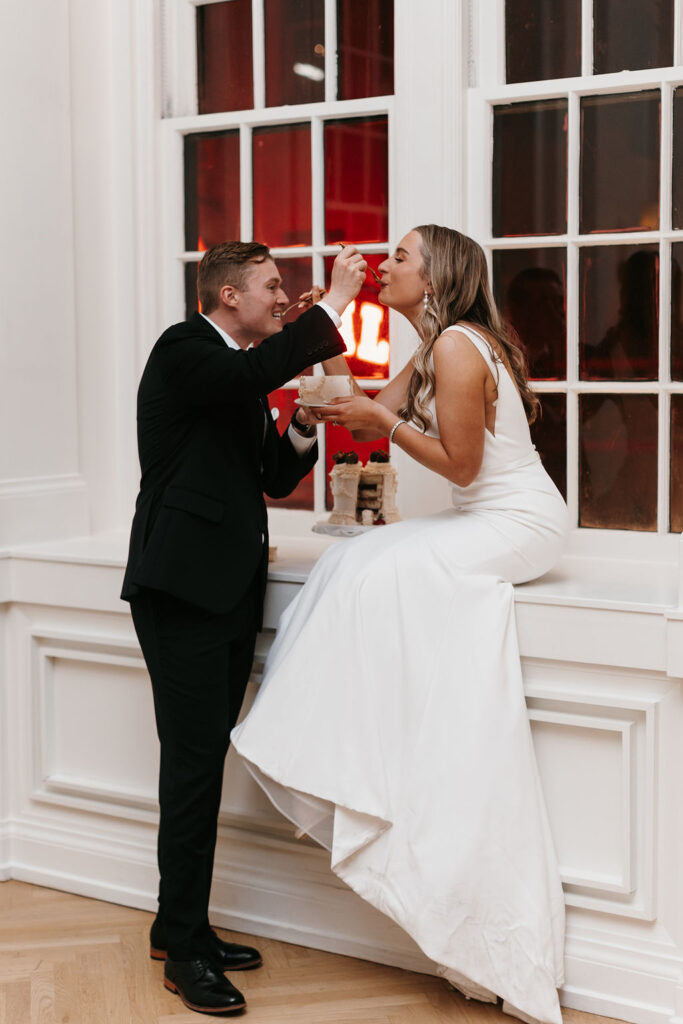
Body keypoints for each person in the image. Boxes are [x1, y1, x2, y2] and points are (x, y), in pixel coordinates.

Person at [231, 226, 570, 1024]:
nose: (386, 267)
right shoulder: (435, 342)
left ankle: (371, 746)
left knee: (375, 567)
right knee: (353, 561)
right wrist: (328, 347)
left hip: (518, 521)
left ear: (439, 274)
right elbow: (368, 409)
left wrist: (372, 421)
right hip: (481, 517)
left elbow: (456, 464)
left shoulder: (457, 344)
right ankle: (357, 742)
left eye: (403, 258)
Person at [120, 240, 366, 1015]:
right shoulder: (186, 348)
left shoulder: (242, 372)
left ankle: (175, 924)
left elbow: (271, 475)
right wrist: (333, 302)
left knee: (198, 768)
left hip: (225, 592)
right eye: (270, 286)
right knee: (191, 774)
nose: (280, 296)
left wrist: (302, 422)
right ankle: (184, 951)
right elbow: (248, 373)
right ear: (228, 296)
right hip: (182, 591)